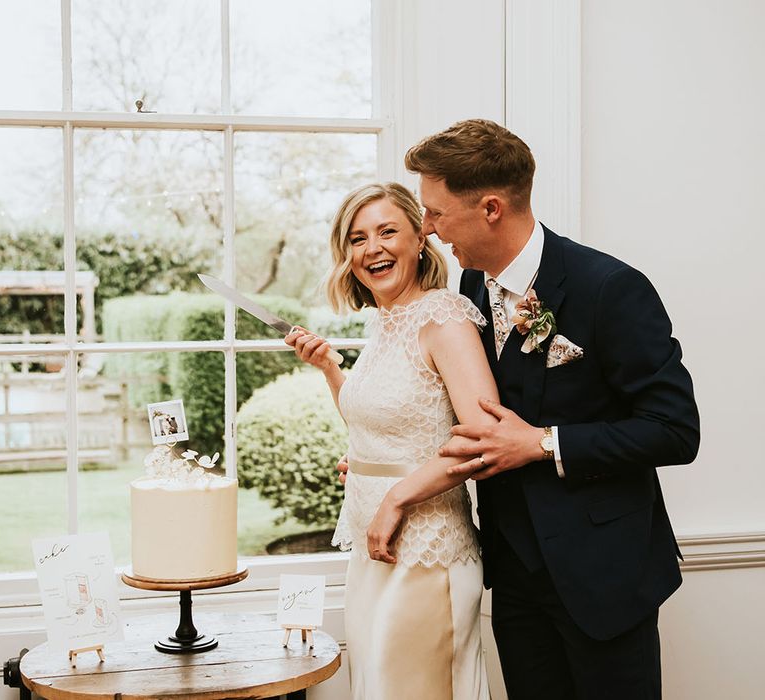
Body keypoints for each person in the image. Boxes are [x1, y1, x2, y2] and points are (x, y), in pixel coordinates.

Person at [364, 119, 700, 699]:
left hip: (603, 577)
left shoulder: (609, 288)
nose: (430, 230)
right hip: (512, 572)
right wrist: (393, 461)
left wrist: (545, 443)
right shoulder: (467, 290)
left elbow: (674, 430)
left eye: (437, 213)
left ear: (491, 207)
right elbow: (471, 413)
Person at [285, 182, 496, 699]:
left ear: (420, 238)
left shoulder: (443, 317)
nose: (372, 248)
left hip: (428, 551)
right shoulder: (385, 321)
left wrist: (397, 496)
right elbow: (377, 424)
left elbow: (484, 437)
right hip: (373, 546)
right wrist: (331, 369)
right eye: (357, 239)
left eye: (386, 231)